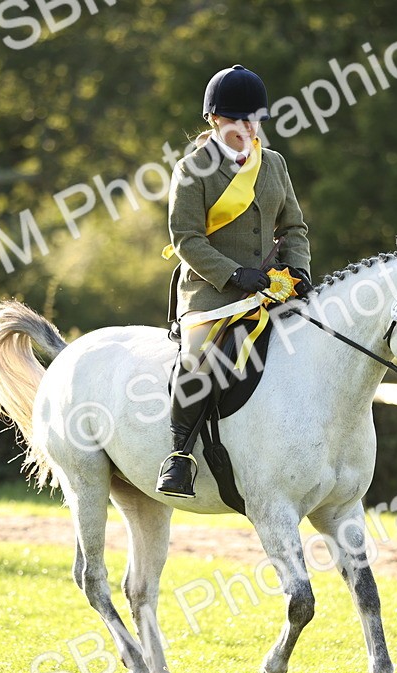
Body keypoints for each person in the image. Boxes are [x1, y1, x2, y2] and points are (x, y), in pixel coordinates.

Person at [156, 64, 313, 498]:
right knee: (198, 362)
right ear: (213, 120)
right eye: (237, 120)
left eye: (254, 120)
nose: (247, 128)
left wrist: (299, 270)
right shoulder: (191, 170)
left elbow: (294, 228)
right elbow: (186, 238)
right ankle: (180, 456)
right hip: (213, 293)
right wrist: (233, 273)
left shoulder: (274, 164)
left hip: (271, 288)